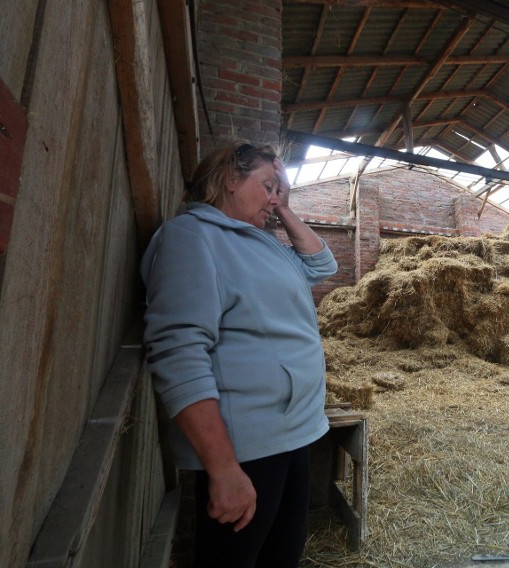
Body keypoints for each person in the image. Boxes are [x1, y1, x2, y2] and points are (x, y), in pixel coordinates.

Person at [140, 140, 338, 567]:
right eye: (267, 186)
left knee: (282, 555)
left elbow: (324, 266)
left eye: (278, 190)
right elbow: (179, 353)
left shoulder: (261, 242)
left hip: (294, 431)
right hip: (246, 446)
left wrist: (282, 207)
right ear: (230, 178)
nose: (274, 197)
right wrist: (224, 469)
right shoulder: (191, 237)